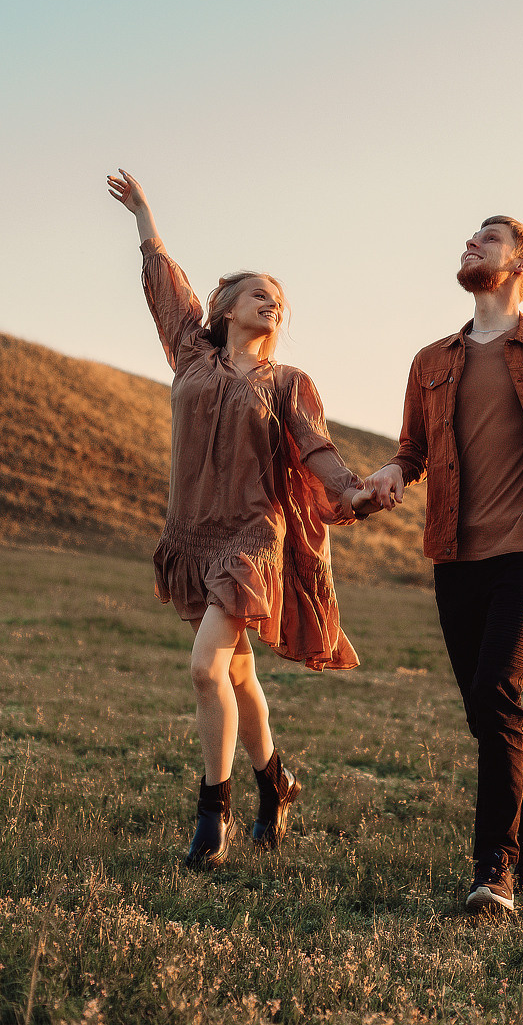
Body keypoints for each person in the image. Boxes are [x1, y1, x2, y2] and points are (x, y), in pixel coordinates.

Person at [107, 169, 382, 870]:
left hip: (252, 538)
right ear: (225, 307)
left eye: (281, 301)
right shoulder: (190, 356)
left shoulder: (288, 384)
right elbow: (165, 291)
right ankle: (277, 783)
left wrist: (350, 491)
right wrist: (144, 216)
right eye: (261, 293)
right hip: (192, 535)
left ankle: (212, 818)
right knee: (236, 676)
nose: (273, 305)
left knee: (205, 669)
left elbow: (316, 447)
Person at [364, 215, 523, 913]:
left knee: (498, 695)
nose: (471, 241)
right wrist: (393, 472)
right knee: (487, 709)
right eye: (470, 236)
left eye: (490, 237)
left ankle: (496, 872)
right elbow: (413, 450)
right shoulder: (432, 360)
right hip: (455, 553)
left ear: (520, 266)